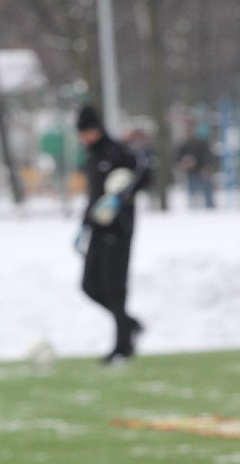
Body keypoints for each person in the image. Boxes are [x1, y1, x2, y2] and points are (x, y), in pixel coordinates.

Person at [75, 103, 149, 365]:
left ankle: (122, 347)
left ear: (95, 129)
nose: (83, 137)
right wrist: (84, 225)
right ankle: (129, 324)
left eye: (85, 131)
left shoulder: (117, 151)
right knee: (89, 286)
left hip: (119, 230)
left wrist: (121, 198)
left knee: (115, 288)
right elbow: (94, 196)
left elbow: (145, 174)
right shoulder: (92, 157)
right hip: (97, 229)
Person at [175, 128, 217, 208]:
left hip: (202, 173)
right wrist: (183, 164)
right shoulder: (184, 145)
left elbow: (209, 157)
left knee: (207, 193)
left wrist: (206, 167)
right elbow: (178, 158)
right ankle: (194, 210)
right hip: (191, 173)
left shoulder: (203, 144)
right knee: (192, 195)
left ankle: (210, 210)